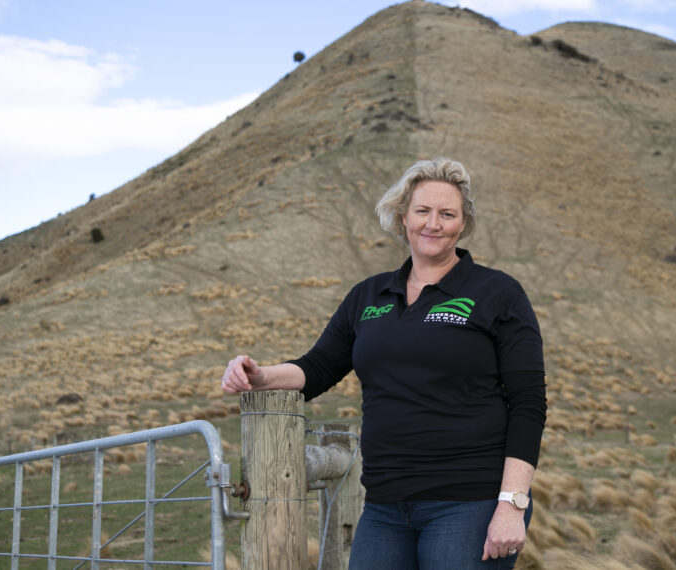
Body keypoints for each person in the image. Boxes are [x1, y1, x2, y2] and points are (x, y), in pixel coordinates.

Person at [222, 158, 547, 568]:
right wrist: (261, 375)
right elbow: (319, 367)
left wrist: (512, 505)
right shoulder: (369, 296)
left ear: (462, 224)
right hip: (385, 507)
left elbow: (529, 403)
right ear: (402, 217)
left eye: (447, 214)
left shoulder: (498, 292)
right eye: (422, 211)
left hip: (469, 502)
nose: (434, 223)